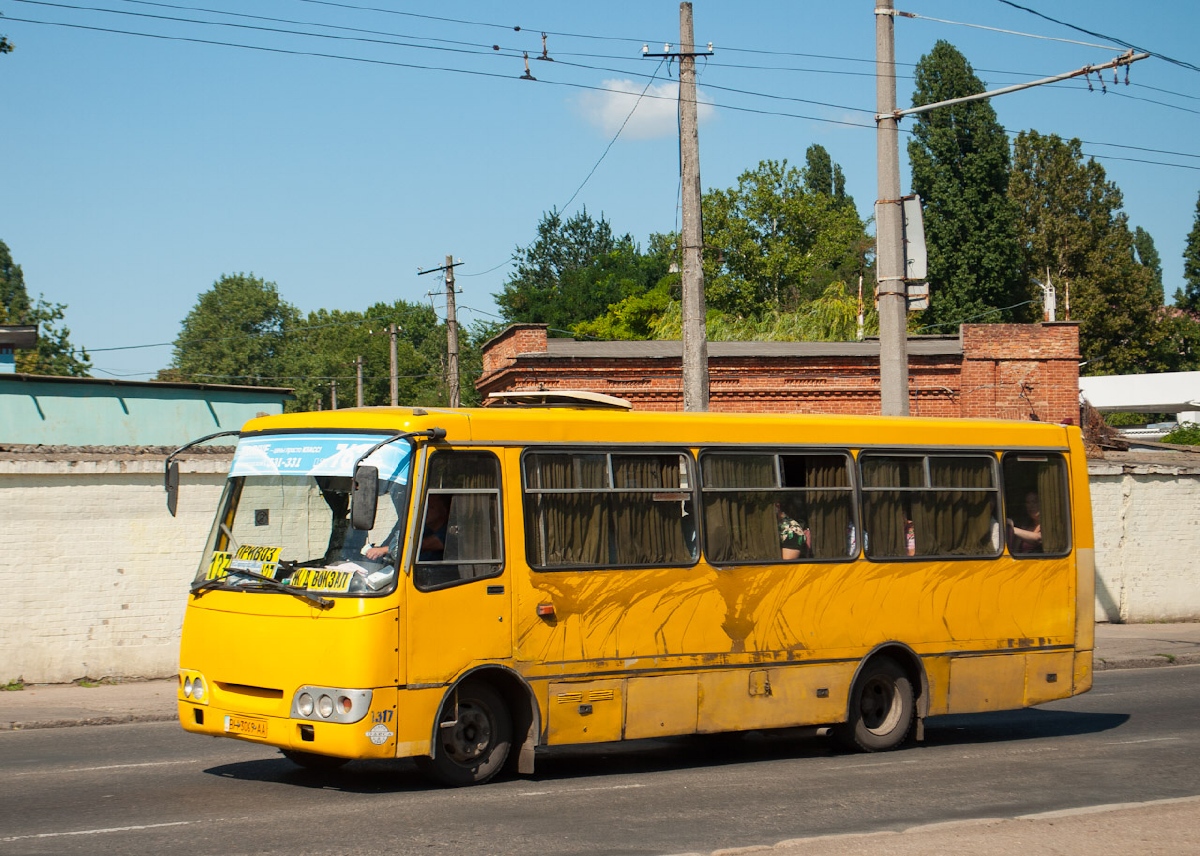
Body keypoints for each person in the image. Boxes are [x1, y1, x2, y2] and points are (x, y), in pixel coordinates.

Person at [366, 492, 450, 562]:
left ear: (444, 511)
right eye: (424, 506)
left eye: (431, 507)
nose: (425, 510)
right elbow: (397, 540)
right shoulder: (422, 528)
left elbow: (416, 545)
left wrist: (383, 550)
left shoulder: (448, 532)